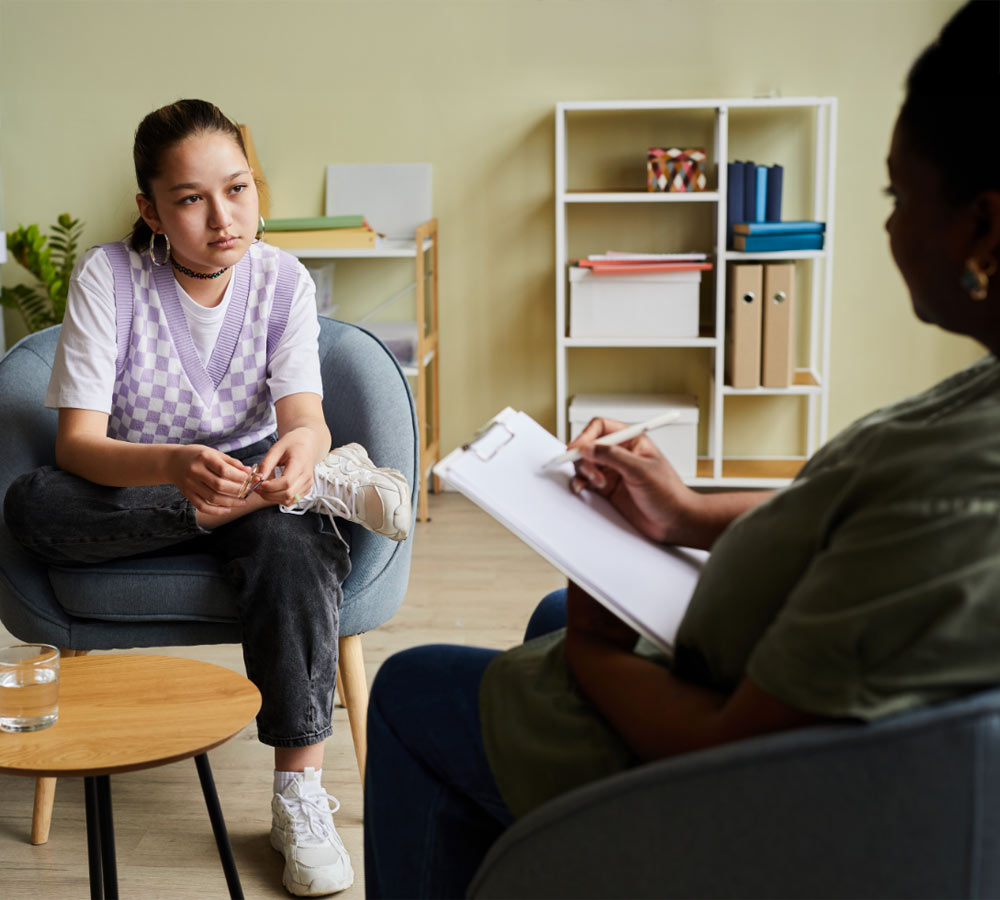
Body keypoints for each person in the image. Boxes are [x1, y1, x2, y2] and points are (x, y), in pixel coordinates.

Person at [362, 2, 1000, 896]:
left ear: (984, 229)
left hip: (744, 799)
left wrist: (598, 653)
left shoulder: (960, 496)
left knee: (411, 691)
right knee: (550, 613)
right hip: (760, 686)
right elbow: (854, 522)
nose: (889, 228)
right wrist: (689, 514)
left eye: (898, 196)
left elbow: (740, 753)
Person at [2, 99, 412, 897]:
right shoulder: (109, 278)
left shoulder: (281, 279)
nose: (224, 218)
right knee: (32, 509)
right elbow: (78, 447)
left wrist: (305, 453)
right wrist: (177, 471)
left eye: (238, 189)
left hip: (257, 485)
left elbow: (305, 420)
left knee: (293, 548)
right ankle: (306, 496)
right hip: (143, 494)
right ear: (150, 209)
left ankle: (299, 797)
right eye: (191, 199)